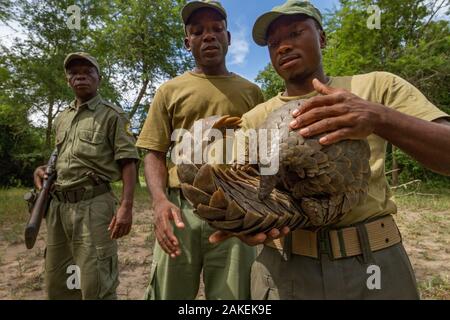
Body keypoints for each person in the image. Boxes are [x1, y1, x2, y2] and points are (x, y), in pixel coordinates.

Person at [210, 0, 450, 299]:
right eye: (273, 43)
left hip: (374, 266)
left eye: (296, 33)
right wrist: (241, 221)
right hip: (285, 270)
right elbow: (246, 188)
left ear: (322, 38)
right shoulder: (256, 118)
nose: (283, 47)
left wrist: (378, 117)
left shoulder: (375, 87)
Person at [136, 0, 264, 300]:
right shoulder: (169, 91)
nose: (208, 36)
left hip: (235, 208)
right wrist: (159, 203)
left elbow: (261, 154)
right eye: (198, 31)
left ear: (228, 38)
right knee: (169, 293)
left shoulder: (251, 92)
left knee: (236, 297)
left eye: (217, 29)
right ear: (187, 42)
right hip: (182, 211)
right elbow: (153, 152)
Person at [33, 52, 140, 299]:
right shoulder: (62, 117)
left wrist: (126, 207)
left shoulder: (112, 115)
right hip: (59, 208)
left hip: (93, 206)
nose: (80, 75)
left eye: (87, 71)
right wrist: (41, 170)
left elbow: (129, 162)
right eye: (74, 72)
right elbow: (59, 156)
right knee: (59, 281)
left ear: (99, 78)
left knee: (96, 282)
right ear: (67, 79)